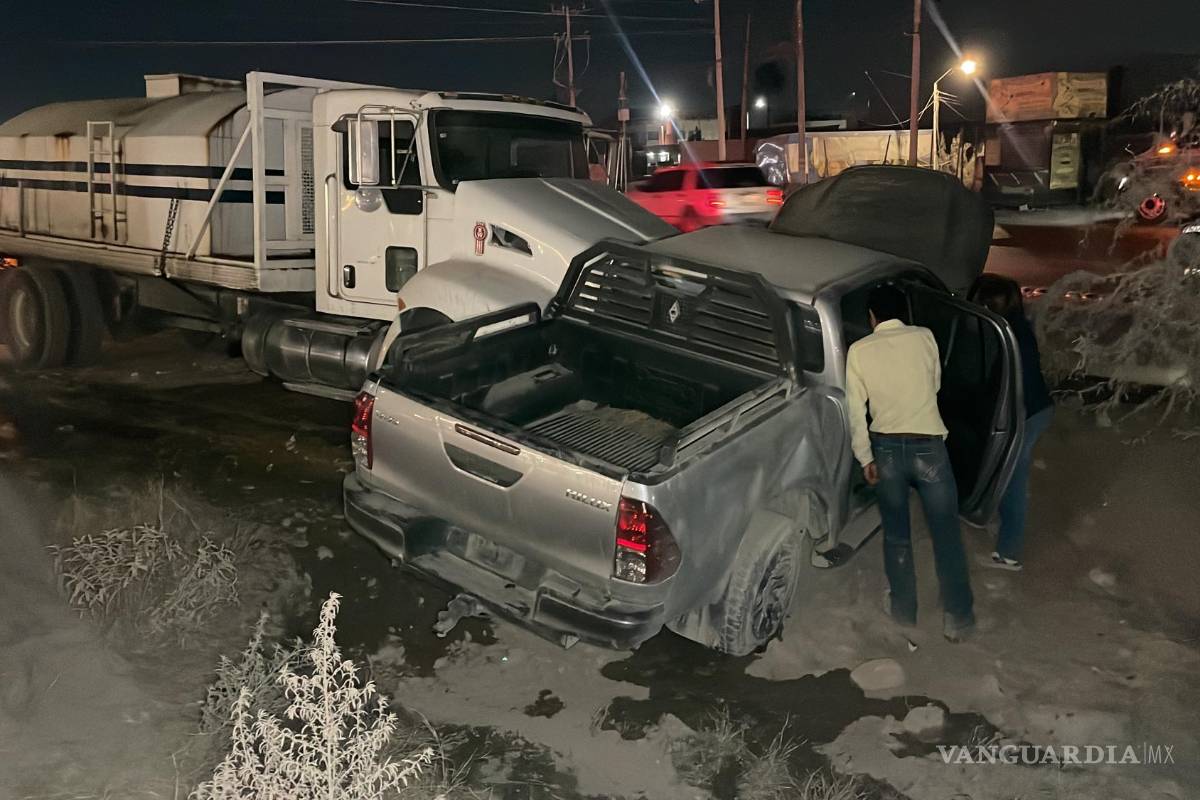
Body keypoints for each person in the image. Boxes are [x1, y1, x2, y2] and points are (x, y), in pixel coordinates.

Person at [846, 284, 975, 642]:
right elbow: (933, 385)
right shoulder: (924, 338)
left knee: (897, 537)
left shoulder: (858, 351)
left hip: (886, 452)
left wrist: (865, 457)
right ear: (903, 312)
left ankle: (904, 612)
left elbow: (855, 411)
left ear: (871, 317)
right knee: (946, 535)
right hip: (928, 448)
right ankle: (958, 619)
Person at [972, 274, 1054, 571]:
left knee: (1013, 480)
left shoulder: (1008, 337)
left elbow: (1006, 386)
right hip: (1035, 410)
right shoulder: (1016, 326)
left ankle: (1009, 553)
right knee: (1005, 473)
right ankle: (995, 519)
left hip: (1026, 416)